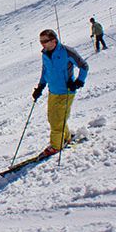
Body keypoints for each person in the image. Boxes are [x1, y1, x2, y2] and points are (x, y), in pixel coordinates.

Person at [32, 29, 89, 157]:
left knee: (57, 120)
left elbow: (84, 66)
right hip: (53, 91)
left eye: (45, 41)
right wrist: (40, 87)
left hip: (66, 91)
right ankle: (66, 137)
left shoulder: (67, 52)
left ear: (54, 40)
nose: (42, 44)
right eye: (40, 41)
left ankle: (56, 146)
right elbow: (45, 71)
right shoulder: (45, 54)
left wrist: (78, 82)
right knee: (52, 117)